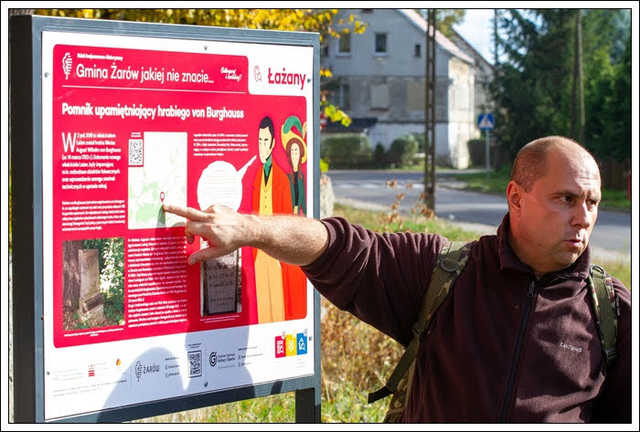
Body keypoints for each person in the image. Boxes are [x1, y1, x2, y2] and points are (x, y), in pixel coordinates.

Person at [164, 136, 630, 422]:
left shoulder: (612, 313)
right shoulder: (446, 271)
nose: (582, 217)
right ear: (516, 197)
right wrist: (250, 229)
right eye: (565, 199)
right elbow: (338, 245)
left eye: (591, 201)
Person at [251, 116, 306, 323]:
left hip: (275, 251)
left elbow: (286, 221)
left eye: (265, 141)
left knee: (277, 303)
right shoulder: (257, 175)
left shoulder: (282, 179)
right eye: (259, 141)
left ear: (273, 143)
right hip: (259, 252)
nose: (262, 147)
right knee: (262, 303)